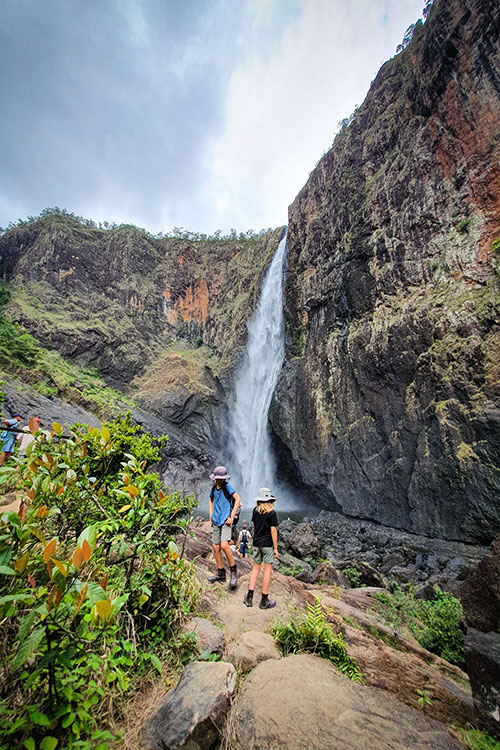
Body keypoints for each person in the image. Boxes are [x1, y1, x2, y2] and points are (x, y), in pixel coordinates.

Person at [243, 487, 279, 609]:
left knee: (255, 569)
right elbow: (273, 531)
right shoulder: (272, 513)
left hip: (256, 543)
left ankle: (249, 597)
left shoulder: (255, 511)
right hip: (267, 544)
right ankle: (264, 600)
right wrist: (275, 548)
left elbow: (255, 525)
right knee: (267, 570)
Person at [208, 466, 242, 588]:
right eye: (217, 479)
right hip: (216, 520)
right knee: (215, 546)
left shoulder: (227, 487)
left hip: (226, 520)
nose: (219, 481)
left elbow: (238, 499)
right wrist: (210, 513)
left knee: (224, 545)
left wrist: (231, 516)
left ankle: (233, 571)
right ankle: (220, 573)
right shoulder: (213, 488)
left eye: (221, 479)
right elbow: (210, 500)